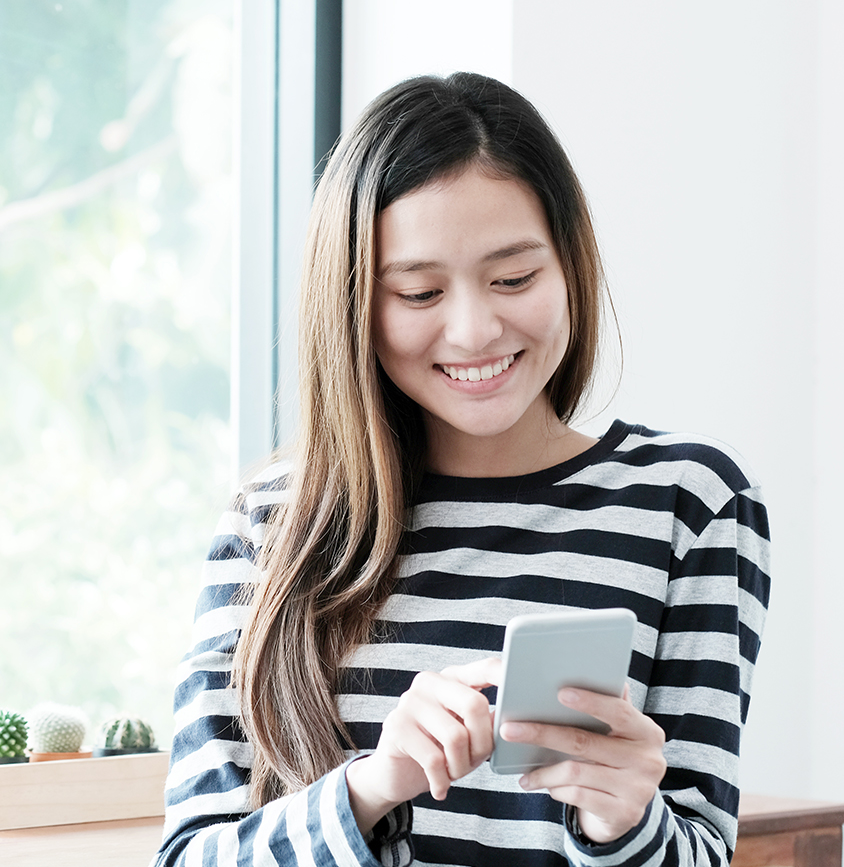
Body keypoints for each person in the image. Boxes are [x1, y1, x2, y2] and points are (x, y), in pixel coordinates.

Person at [154, 73, 769, 867]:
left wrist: (626, 826)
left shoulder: (688, 506)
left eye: (514, 279)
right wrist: (374, 788)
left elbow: (700, 848)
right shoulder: (271, 523)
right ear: (354, 304)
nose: (475, 329)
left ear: (570, 265)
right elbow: (192, 857)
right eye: (418, 292)